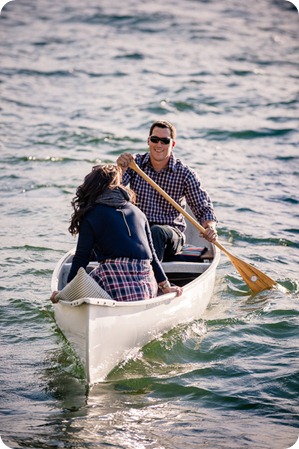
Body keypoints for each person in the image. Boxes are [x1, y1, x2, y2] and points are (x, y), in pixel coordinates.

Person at [50, 164, 182, 303]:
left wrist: (68, 291)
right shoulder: (139, 213)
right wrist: (166, 286)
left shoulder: (91, 214)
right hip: (147, 286)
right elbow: (153, 256)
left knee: (92, 274)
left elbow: (81, 258)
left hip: (114, 285)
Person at [116, 120, 218, 261]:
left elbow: (203, 208)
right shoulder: (135, 164)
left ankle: (150, 278)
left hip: (171, 234)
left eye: (165, 141)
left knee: (157, 232)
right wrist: (120, 169)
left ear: (172, 144)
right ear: (148, 141)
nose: (159, 145)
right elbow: (113, 189)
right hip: (140, 229)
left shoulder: (184, 173)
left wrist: (210, 227)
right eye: (155, 139)